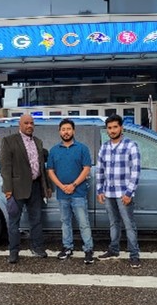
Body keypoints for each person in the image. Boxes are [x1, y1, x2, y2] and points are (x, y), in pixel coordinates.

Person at [0, 114, 51, 264]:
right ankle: (14, 252)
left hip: (35, 187)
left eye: (32, 123)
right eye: (26, 123)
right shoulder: (9, 141)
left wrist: (46, 187)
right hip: (16, 189)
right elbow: (5, 167)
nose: (30, 126)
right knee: (14, 222)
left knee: (36, 220)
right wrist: (8, 190)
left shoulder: (38, 142)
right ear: (20, 125)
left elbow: (41, 166)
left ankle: (37, 247)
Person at [96, 114, 141, 268]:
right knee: (114, 223)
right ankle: (114, 249)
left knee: (129, 225)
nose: (112, 130)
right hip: (108, 193)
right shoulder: (105, 147)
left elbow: (136, 171)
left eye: (115, 127)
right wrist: (99, 190)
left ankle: (134, 255)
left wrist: (129, 193)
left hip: (124, 194)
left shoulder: (131, 145)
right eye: (109, 128)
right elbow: (100, 171)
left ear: (121, 128)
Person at [47, 118, 94, 264]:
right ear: (59, 132)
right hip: (62, 194)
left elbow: (86, 168)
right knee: (65, 222)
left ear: (73, 131)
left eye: (68, 129)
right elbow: (50, 171)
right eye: (63, 129)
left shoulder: (82, 148)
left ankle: (88, 249)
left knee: (83, 222)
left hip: (78, 192)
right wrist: (61, 186)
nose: (66, 132)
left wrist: (73, 185)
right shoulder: (54, 150)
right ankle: (67, 247)